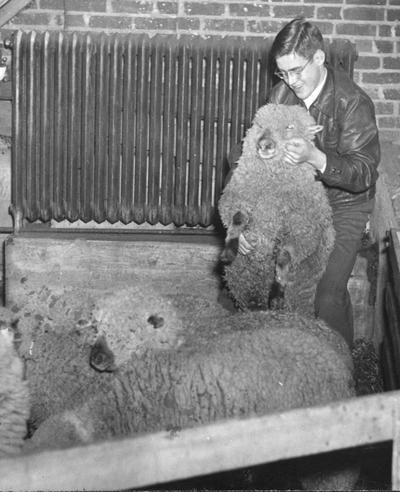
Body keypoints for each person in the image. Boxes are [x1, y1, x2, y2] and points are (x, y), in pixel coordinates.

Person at [234, 17, 380, 347]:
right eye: (283, 72)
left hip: (343, 205)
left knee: (325, 293)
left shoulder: (352, 102)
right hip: (296, 199)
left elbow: (364, 173)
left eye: (297, 70)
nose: (291, 80)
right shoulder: (282, 93)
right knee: (264, 274)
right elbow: (248, 156)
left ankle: (342, 371)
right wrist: (236, 222)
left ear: (318, 57)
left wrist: (315, 158)